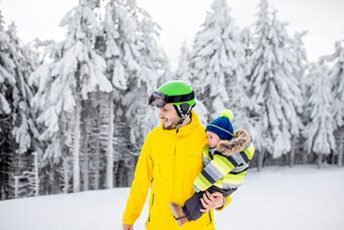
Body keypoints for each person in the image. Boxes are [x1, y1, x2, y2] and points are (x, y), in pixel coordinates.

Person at [122, 80, 229, 230]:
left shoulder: (205, 139)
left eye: (165, 110)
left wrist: (222, 201)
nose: (160, 115)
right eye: (160, 111)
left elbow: (226, 177)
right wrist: (129, 218)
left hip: (198, 226)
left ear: (183, 108)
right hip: (159, 225)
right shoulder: (154, 139)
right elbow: (141, 181)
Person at [169, 109, 255, 227]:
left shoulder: (229, 153)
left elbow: (215, 170)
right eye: (207, 136)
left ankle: (186, 216)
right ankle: (185, 215)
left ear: (222, 138)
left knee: (204, 197)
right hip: (222, 183)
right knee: (204, 195)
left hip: (225, 185)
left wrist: (199, 185)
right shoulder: (218, 149)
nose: (207, 140)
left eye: (211, 137)